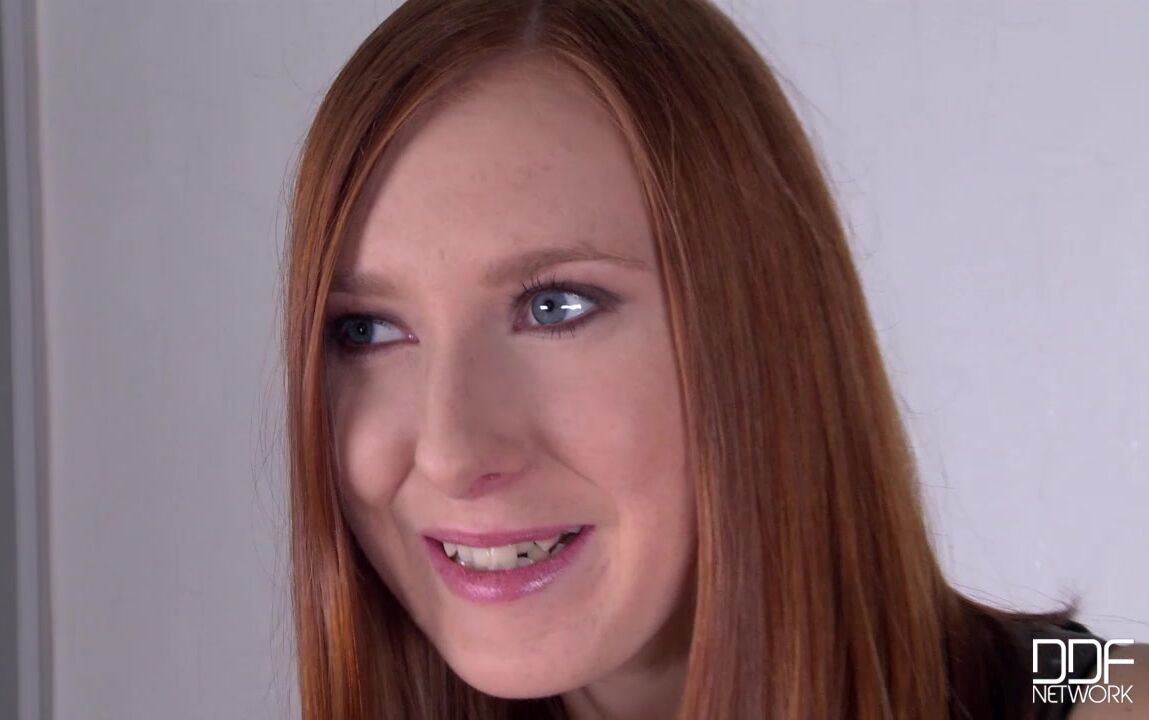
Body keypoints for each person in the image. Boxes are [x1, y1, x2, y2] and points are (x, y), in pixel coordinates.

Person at [280, 1, 1147, 718]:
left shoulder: (1095, 692)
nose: (451, 452)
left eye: (555, 307)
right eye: (368, 330)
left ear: (760, 323)